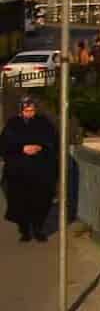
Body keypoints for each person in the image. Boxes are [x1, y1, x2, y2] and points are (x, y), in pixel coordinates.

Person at [1, 92, 59, 242]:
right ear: (21, 111)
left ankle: (38, 228)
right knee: (20, 202)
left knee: (41, 200)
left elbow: (53, 141)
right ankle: (25, 230)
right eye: (27, 111)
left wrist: (40, 147)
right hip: (18, 172)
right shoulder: (12, 124)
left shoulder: (43, 123)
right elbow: (5, 145)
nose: (30, 113)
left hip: (40, 170)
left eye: (32, 110)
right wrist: (22, 148)